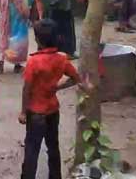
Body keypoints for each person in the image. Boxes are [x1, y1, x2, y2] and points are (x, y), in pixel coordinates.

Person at [19, 19, 88, 179]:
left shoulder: (33, 62)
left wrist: (23, 111)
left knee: (32, 150)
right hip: (52, 110)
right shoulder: (62, 59)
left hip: (35, 112)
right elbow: (75, 78)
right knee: (53, 147)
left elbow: (26, 89)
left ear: (38, 40)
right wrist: (57, 86)